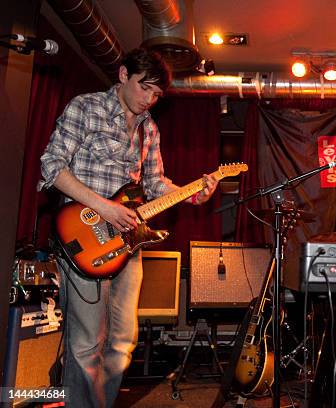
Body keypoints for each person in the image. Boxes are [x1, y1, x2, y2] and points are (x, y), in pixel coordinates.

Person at [37, 48, 218, 407]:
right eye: (144, 88)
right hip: (84, 236)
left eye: (156, 94)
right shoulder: (85, 108)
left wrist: (194, 193)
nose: (149, 99)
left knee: (122, 342)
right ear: (123, 75)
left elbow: (154, 184)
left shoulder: (149, 128)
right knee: (87, 342)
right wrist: (105, 207)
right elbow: (51, 167)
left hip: (128, 244)